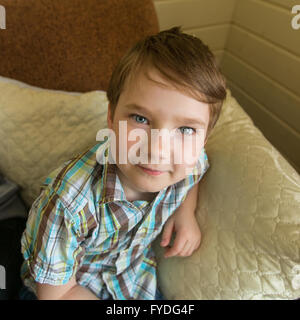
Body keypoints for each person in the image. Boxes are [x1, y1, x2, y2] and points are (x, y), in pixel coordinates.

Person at [19, 26, 227, 300]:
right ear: (111, 116)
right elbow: (57, 294)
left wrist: (185, 213)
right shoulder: (68, 204)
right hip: (69, 287)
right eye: (140, 118)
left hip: (132, 280)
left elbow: (194, 173)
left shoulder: (189, 161)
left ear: (204, 138)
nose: (158, 150)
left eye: (186, 130)